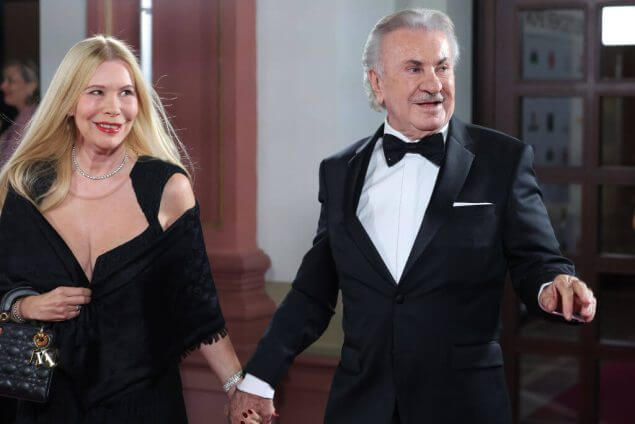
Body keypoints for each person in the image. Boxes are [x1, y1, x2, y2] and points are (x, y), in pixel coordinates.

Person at [229, 8, 597, 424]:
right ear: (377, 82)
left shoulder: (502, 161)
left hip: (463, 406)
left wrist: (552, 285)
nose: (433, 84)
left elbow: (538, 261)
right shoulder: (338, 172)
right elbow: (313, 292)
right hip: (361, 406)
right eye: (414, 68)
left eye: (442, 67)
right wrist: (259, 378)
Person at [0, 36, 262, 424]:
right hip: (49, 401)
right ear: (68, 102)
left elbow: (198, 303)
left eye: (126, 93)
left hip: (143, 403)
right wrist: (24, 307)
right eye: (96, 92)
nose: (114, 108)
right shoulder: (27, 185)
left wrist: (236, 388)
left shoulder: (167, 188)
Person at [0, 59, 39, 166]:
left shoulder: (32, 122)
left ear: (31, 86)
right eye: (4, 80)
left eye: (11, 81)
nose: (3, 86)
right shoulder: (17, 119)